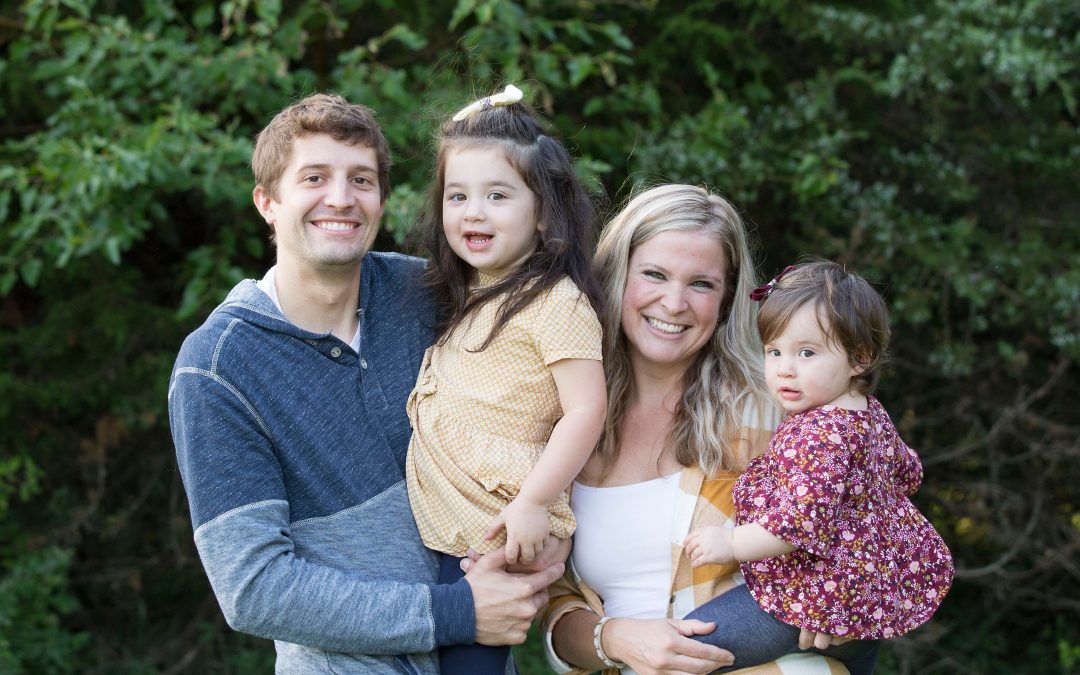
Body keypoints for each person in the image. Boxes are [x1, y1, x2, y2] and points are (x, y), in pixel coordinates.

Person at [168, 92, 565, 675]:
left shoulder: (432, 296)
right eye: (314, 177)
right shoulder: (218, 367)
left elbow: (551, 398)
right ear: (267, 202)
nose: (340, 198)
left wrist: (551, 522)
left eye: (361, 179)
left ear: (380, 199)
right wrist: (457, 612)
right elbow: (253, 588)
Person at [536, 185, 849, 675]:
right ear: (617, 275)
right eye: (654, 275)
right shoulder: (562, 421)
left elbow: (871, 529)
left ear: (726, 300)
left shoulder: (775, 413)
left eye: (701, 284)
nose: (675, 302)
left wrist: (840, 587)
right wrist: (613, 637)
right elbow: (554, 603)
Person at [405, 84, 607, 674]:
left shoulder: (555, 301)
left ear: (542, 211)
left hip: (497, 516)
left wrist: (534, 501)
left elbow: (584, 410)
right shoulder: (476, 289)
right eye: (458, 195)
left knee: (471, 661)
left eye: (497, 195)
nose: (473, 212)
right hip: (455, 514)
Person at [681, 261, 955, 674]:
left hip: (809, 594)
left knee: (687, 646)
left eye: (806, 352)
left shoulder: (821, 432)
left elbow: (797, 523)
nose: (785, 368)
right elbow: (908, 472)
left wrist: (731, 543)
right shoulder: (868, 414)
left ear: (860, 358)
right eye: (774, 351)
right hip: (861, 599)